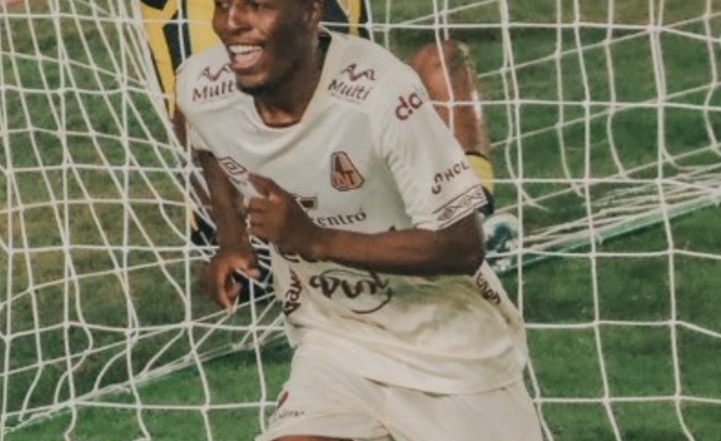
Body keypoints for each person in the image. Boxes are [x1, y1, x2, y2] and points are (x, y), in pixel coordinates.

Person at [173, 1, 594, 441]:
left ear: (310, 12)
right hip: (336, 336)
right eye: (224, 3)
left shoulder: (380, 95)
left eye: (256, 4)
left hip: (447, 346)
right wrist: (230, 238)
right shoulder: (205, 84)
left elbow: (463, 245)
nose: (232, 21)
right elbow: (204, 137)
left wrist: (315, 240)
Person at [138, 0, 520, 282]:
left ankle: (471, 218)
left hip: (362, 223)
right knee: (198, 97)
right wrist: (231, 236)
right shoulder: (204, 71)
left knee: (444, 62)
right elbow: (195, 123)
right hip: (255, 241)